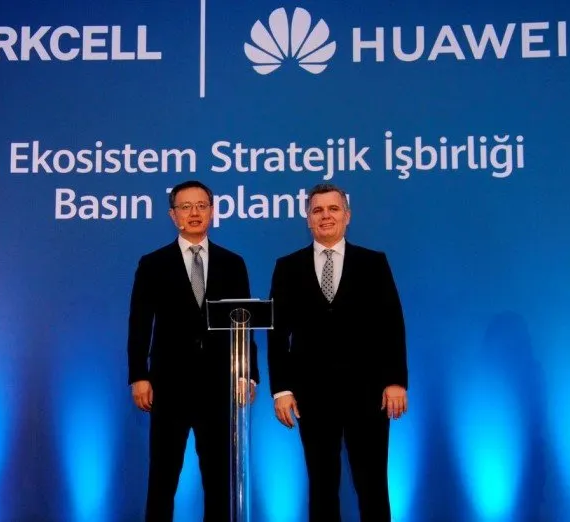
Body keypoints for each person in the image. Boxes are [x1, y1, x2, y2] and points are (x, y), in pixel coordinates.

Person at [267, 183, 408, 522]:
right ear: (308, 219)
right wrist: (281, 389)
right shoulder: (287, 267)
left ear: (347, 215)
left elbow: (391, 324)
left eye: (333, 209)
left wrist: (395, 381)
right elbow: (277, 333)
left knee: (372, 484)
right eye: (317, 210)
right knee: (321, 484)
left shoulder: (373, 263)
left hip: (368, 392)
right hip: (312, 394)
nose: (325, 216)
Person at [127, 180, 259, 522]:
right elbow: (139, 324)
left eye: (201, 205)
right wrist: (139, 375)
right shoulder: (153, 263)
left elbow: (244, 324)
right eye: (185, 207)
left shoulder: (233, 263)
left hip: (218, 386)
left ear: (212, 212)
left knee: (219, 478)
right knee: (163, 476)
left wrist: (247, 374)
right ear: (173, 215)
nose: (194, 213)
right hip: (168, 384)